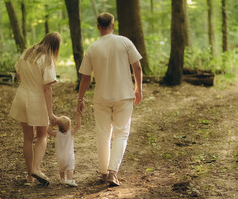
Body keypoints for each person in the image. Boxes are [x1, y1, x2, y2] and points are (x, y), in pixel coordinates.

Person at [77, 12, 143, 187]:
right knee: (121, 133)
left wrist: (80, 98)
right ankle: (113, 172)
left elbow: (85, 77)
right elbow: (137, 66)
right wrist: (138, 89)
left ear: (98, 26)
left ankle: (104, 172)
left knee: (103, 134)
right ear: (113, 25)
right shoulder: (125, 42)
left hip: (102, 97)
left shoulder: (92, 48)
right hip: (124, 95)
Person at [10, 32, 61, 186]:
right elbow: (47, 88)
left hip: (22, 96)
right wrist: (50, 112)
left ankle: (30, 176)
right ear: (55, 46)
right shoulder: (48, 59)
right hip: (36, 99)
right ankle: (36, 168)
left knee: (27, 138)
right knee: (42, 136)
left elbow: (18, 75)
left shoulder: (28, 52)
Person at [47, 114, 81, 187]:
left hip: (60, 156)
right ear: (69, 126)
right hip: (69, 155)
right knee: (70, 168)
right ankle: (69, 179)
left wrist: (51, 125)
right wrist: (79, 116)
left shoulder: (56, 134)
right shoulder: (70, 133)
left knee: (62, 169)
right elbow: (78, 126)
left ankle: (62, 180)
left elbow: (48, 131)